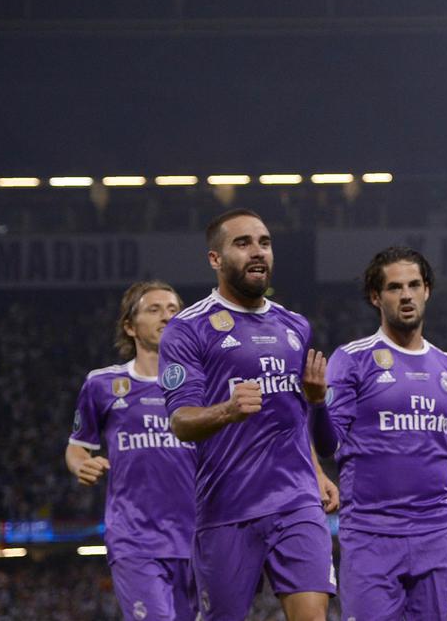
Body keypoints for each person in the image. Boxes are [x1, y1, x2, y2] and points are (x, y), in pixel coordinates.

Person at [159, 208, 336, 621]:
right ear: (215, 259)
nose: (258, 252)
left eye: (265, 242)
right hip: (228, 507)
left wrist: (318, 470)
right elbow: (180, 421)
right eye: (243, 243)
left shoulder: (295, 326)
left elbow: (290, 416)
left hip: (297, 502)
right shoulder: (188, 329)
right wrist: (227, 410)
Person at [312, 246, 447, 619]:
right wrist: (318, 405)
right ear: (375, 296)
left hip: (436, 536)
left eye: (414, 285)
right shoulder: (352, 360)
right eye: (394, 287)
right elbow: (326, 445)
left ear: (427, 290)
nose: (406, 295)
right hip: (370, 536)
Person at [66, 281, 198, 621]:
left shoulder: (203, 386)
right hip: (135, 539)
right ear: (130, 326)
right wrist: (81, 465)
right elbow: (77, 447)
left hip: (198, 539)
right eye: (154, 310)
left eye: (173, 310)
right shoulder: (102, 385)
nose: (167, 317)